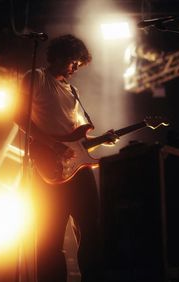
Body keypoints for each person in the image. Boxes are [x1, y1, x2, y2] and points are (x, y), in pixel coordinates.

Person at [16, 34, 118, 282]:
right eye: (73, 62)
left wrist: (102, 138)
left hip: (78, 169)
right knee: (50, 238)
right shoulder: (37, 78)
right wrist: (53, 146)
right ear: (60, 55)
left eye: (78, 65)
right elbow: (19, 116)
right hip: (49, 167)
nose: (75, 69)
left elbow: (78, 138)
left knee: (92, 229)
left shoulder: (74, 91)